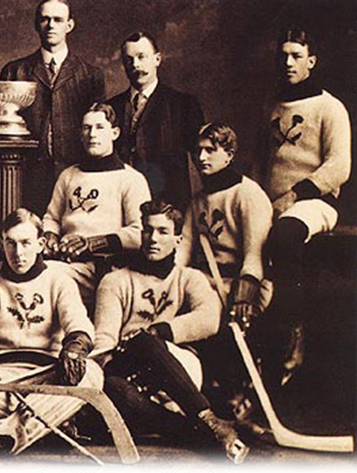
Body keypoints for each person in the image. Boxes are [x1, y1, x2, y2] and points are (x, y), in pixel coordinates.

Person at [93, 198, 249, 463]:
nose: (153, 238)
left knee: (147, 341)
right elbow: (105, 336)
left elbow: (210, 318)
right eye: (147, 230)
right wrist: (103, 362)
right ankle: (206, 432)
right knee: (112, 386)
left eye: (163, 231)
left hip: (177, 373)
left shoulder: (188, 278)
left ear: (178, 239)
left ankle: (205, 420)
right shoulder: (115, 280)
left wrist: (160, 331)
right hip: (130, 368)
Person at [0, 208, 103, 455]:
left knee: (93, 373)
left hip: (49, 374)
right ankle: (49, 426)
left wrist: (75, 347)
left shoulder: (59, 281)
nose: (18, 253)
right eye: (11, 243)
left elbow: (77, 321)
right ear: (3, 243)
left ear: (40, 243)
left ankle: (7, 434)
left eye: (26, 243)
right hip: (1, 377)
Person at [260, 27, 351, 384]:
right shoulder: (270, 107)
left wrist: (295, 196)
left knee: (284, 235)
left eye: (296, 55)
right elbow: (258, 162)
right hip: (274, 203)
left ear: (311, 62)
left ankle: (292, 331)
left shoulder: (330, 108)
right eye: (283, 55)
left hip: (315, 204)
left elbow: (339, 166)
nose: (288, 62)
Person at [0, 0, 105, 217]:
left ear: (69, 25)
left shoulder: (89, 75)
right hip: (22, 179)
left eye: (58, 20)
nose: (51, 25)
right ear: (36, 24)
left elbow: (100, 133)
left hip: (75, 179)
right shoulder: (16, 71)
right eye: (45, 19)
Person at [177, 122, 273, 420]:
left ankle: (238, 394)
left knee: (218, 320)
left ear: (229, 154)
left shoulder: (248, 194)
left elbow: (254, 254)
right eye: (198, 151)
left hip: (244, 282)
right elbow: (184, 251)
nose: (201, 157)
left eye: (210, 150)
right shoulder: (198, 201)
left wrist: (244, 292)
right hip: (206, 281)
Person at [42, 103, 151, 311]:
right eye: (86, 128)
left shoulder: (130, 179)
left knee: (45, 276)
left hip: (102, 267)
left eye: (100, 127)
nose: (92, 134)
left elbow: (139, 232)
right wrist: (50, 237)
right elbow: (52, 218)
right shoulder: (69, 175)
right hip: (64, 259)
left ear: (115, 133)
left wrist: (93, 243)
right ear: (80, 135)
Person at [108, 31, 204, 211]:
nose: (135, 64)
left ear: (157, 59)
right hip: (119, 206)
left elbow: (202, 160)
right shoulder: (111, 107)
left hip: (168, 207)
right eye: (128, 59)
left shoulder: (183, 105)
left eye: (141, 57)